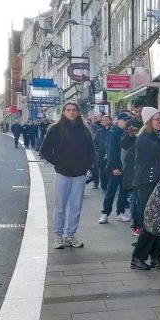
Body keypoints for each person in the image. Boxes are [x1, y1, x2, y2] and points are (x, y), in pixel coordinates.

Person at [40, 102, 96, 249]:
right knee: (60, 207)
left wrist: (88, 165)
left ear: (78, 113)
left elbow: (91, 151)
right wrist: (57, 162)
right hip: (62, 173)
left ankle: (71, 235)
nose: (71, 112)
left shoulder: (84, 130)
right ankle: (58, 236)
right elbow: (44, 150)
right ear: (63, 112)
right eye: (69, 110)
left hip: (80, 174)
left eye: (74, 110)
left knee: (76, 207)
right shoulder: (56, 129)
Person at [130, 107, 160, 271]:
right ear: (149, 122)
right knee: (150, 221)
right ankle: (138, 257)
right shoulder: (144, 137)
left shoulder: (157, 136)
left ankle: (156, 257)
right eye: (157, 119)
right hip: (146, 183)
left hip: (159, 183)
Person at [99, 112, 133, 223]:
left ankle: (120, 212)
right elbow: (110, 152)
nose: (126, 122)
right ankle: (105, 213)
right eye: (124, 120)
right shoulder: (112, 133)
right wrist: (114, 167)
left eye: (127, 120)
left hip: (125, 167)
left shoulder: (125, 132)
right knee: (111, 191)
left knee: (123, 191)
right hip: (115, 167)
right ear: (118, 120)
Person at [119, 103, 145, 228]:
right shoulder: (130, 123)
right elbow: (123, 143)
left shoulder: (151, 121)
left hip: (147, 162)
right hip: (133, 162)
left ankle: (141, 223)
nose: (139, 114)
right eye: (137, 111)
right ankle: (136, 223)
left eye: (141, 110)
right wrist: (130, 135)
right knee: (135, 194)